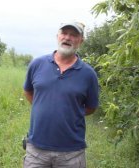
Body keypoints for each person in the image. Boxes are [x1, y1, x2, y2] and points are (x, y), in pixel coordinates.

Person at [23, 21, 99, 168]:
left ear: (80, 41)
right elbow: (28, 91)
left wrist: (70, 112)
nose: (67, 38)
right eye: (64, 33)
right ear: (57, 36)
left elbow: (91, 107)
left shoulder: (88, 74)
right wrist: (44, 105)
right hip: (36, 149)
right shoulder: (37, 64)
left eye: (73, 35)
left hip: (72, 152)